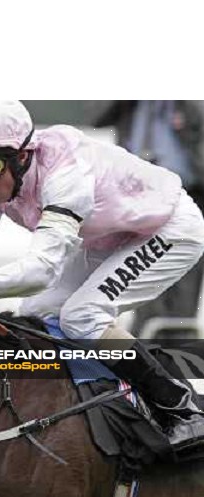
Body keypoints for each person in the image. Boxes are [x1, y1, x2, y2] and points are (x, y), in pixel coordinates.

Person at [0, 100, 204, 451]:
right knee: (35, 314)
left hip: (171, 229)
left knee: (82, 315)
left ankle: (180, 409)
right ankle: (85, 405)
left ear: (23, 156)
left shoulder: (65, 175)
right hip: (115, 232)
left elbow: (41, 270)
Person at [94, 101, 204, 337]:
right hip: (140, 199)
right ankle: (146, 351)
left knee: (183, 285)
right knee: (143, 278)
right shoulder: (131, 104)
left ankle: (178, 350)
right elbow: (96, 117)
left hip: (188, 196)